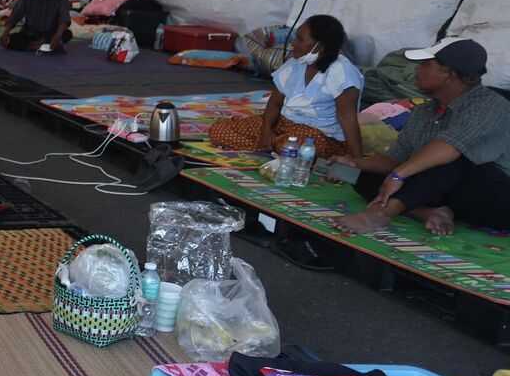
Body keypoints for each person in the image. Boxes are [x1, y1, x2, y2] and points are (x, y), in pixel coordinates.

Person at [330, 38, 510, 236]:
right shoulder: (424, 111)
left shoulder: (491, 105)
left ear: (450, 74)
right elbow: (395, 160)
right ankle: (427, 213)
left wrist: (398, 175)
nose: (417, 69)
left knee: (448, 158)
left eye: (425, 65)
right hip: (444, 194)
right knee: (362, 176)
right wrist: (356, 163)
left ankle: (380, 214)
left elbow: (448, 148)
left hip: (496, 202)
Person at [208, 15, 364, 159]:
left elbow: (347, 119)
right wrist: (266, 130)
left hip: (319, 135)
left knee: (299, 147)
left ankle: (280, 148)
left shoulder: (343, 72)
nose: (293, 43)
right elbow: (276, 102)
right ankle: (278, 148)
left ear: (319, 47)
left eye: (300, 39)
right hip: (283, 125)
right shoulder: (296, 63)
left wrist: (357, 161)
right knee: (219, 130)